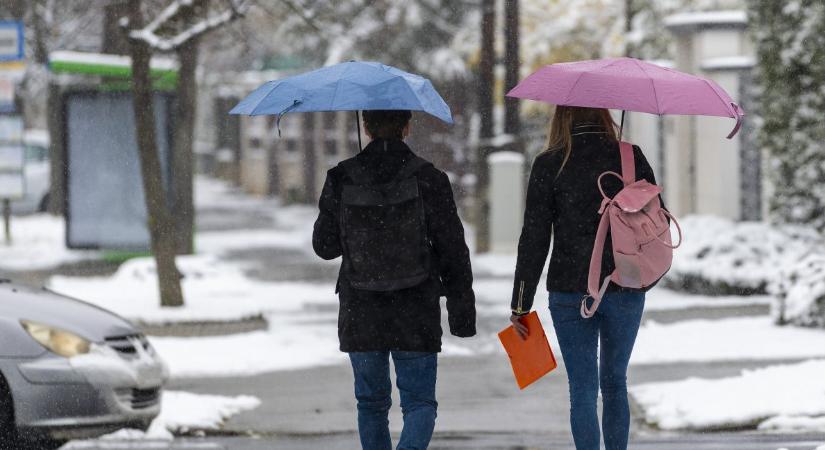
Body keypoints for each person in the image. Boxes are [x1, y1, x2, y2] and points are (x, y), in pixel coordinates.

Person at [313, 109, 476, 450]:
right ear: (406, 127)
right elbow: (453, 249)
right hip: (416, 308)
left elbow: (324, 247)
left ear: (366, 126)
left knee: (371, 405)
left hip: (361, 309)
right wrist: (461, 312)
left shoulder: (342, 177)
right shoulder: (429, 178)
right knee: (419, 404)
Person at [508, 106, 659, 450]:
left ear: (563, 115)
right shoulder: (629, 157)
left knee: (583, 389)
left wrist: (520, 303)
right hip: (625, 282)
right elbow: (655, 219)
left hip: (569, 288)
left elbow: (533, 238)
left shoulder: (551, 163)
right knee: (615, 383)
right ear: (604, 112)